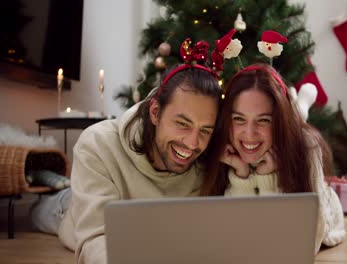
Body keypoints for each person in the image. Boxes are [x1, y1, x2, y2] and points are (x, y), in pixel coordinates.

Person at [31, 48, 223, 262]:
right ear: (155, 112)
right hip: (70, 211)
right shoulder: (98, 143)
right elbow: (96, 239)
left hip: (141, 233)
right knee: (38, 212)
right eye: (182, 124)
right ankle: (58, 189)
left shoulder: (210, 158)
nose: (193, 143)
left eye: (205, 130)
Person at [200, 63, 346, 253]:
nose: (249, 133)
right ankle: (299, 105)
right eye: (239, 119)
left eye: (263, 120)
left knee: (297, 124)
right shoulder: (223, 147)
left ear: (278, 122)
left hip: (326, 222)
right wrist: (242, 176)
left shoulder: (307, 147)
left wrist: (267, 182)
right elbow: (234, 236)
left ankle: (300, 106)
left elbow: (303, 246)